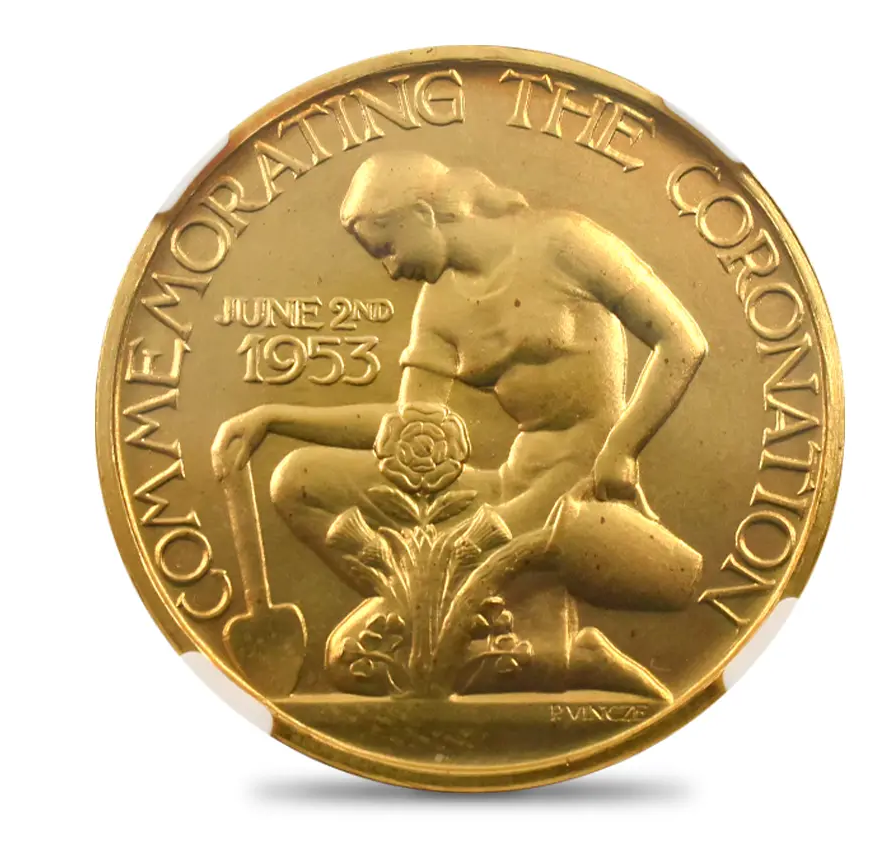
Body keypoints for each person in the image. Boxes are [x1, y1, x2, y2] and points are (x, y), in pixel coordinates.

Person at [212, 152, 707, 696]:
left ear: (423, 216)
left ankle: (535, 643)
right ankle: (531, 644)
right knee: (298, 482)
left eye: (389, 248)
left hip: (578, 492)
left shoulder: (564, 242)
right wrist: (275, 418)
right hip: (514, 486)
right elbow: (406, 430)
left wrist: (623, 447)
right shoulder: (438, 305)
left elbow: (682, 342)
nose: (391, 269)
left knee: (369, 655)